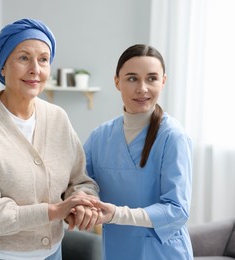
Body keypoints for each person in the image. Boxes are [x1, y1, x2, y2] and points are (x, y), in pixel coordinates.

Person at [0, 18, 99, 260]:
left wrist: (83, 202)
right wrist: (52, 212)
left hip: (52, 253)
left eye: (43, 59)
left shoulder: (58, 118)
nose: (35, 69)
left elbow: (80, 180)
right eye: (23, 58)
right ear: (2, 66)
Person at [81, 44, 193, 259]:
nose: (142, 88)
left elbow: (177, 210)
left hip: (162, 252)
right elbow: (82, 181)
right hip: (117, 249)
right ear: (117, 82)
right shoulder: (100, 136)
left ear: (163, 81)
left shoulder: (173, 136)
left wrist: (116, 214)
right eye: (132, 78)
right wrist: (84, 202)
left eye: (151, 78)